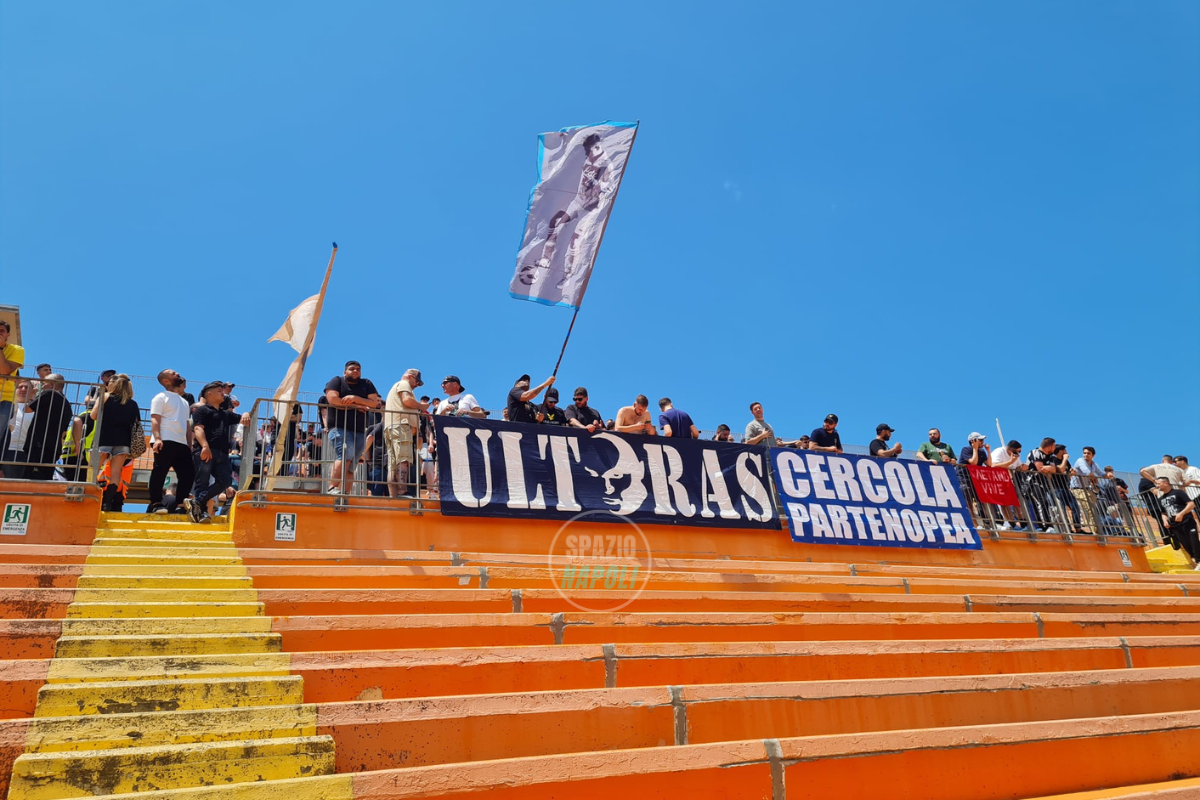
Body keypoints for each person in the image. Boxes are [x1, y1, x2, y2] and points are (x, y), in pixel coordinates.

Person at [187, 381, 251, 523]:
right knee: (201, 482)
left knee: (226, 480)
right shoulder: (202, 410)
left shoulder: (225, 414)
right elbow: (198, 429)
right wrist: (204, 446)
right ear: (209, 394)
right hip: (206, 451)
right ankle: (202, 513)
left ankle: (197, 502)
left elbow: (242, 418)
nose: (223, 393)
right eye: (219, 391)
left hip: (222, 453)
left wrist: (246, 413)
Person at [324, 361, 382, 495]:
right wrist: (358, 406)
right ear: (345, 372)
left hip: (360, 430)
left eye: (358, 369)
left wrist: (354, 398)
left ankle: (346, 492)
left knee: (352, 464)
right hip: (339, 427)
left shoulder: (366, 383)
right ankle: (332, 487)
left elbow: (373, 403)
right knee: (345, 455)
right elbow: (333, 400)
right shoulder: (336, 381)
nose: (355, 371)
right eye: (352, 369)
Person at [90, 373, 141, 511]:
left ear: (114, 384)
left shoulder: (105, 397)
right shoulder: (133, 403)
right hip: (123, 441)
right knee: (116, 473)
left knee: (94, 469)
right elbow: (136, 423)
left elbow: (93, 416)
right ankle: (108, 502)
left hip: (104, 438)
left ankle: (90, 496)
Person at [147, 369, 194, 514]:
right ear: (166, 381)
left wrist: (189, 444)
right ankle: (156, 503)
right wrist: (158, 438)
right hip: (164, 439)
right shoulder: (160, 398)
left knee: (188, 473)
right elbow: (155, 419)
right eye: (174, 374)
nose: (178, 374)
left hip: (181, 443)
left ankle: (181, 504)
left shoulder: (185, 402)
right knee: (160, 472)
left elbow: (187, 425)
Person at [384, 368, 427, 498]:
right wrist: (421, 406)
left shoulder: (397, 385)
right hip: (402, 426)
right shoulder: (404, 384)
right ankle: (402, 492)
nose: (416, 385)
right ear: (409, 377)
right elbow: (407, 400)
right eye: (417, 381)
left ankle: (393, 495)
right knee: (403, 460)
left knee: (393, 464)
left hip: (393, 427)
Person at [21, 374, 72, 481]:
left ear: (51, 385)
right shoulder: (67, 404)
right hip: (54, 448)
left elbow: (27, 409)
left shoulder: (48, 393)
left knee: (30, 479)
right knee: (45, 480)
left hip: (38, 446)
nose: (42, 386)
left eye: (44, 383)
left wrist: (32, 395)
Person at [1156, 476, 1199, 564]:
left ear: (1166, 483)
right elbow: (1163, 513)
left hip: (1187, 521)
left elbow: (1191, 504)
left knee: (1194, 541)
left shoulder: (1178, 493)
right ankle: (1196, 560)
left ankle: (1199, 560)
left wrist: (1181, 514)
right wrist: (1165, 521)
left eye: (1158, 483)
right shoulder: (1161, 499)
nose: (1157, 486)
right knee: (1185, 544)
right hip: (1174, 525)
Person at [1026, 438, 1066, 533]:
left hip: (1044, 484)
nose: (1054, 448)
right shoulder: (1035, 452)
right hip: (1033, 482)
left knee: (1045, 503)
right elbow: (1041, 469)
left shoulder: (1050, 456)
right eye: (1053, 446)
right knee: (1040, 502)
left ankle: (1047, 526)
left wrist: (1051, 469)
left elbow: (1055, 470)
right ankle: (1044, 526)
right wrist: (1049, 469)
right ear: (1049, 446)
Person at [990, 440, 1028, 531]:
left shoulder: (1015, 457)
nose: (1018, 454)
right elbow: (994, 465)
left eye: (1020, 452)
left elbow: (1017, 467)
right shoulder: (999, 452)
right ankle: (1012, 524)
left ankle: (1023, 524)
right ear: (1011, 449)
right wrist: (1011, 461)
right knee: (1004, 504)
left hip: (1010, 481)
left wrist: (1023, 467)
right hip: (998, 480)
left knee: (1016, 502)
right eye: (1017, 451)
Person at [0, 379, 32, 479]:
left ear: (32, 391)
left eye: (27, 387)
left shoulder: (37, 409)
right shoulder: (7, 407)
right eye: (20, 387)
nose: (23, 389)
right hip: (7, 452)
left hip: (26, 454)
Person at [1070, 446, 1105, 534]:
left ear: (1093, 455)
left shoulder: (1093, 464)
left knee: (1093, 509)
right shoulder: (1080, 461)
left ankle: (1096, 530)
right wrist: (1094, 478)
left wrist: (1108, 475)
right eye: (1084, 453)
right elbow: (1086, 472)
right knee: (1089, 509)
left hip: (1086, 489)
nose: (1086, 455)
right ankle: (1095, 532)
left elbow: (1101, 473)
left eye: (1088, 453)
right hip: (1077, 489)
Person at [0, 320, 25, 440]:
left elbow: (5, 371)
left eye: (1, 331)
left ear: (7, 335)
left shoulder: (17, 350)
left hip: (6, 398)